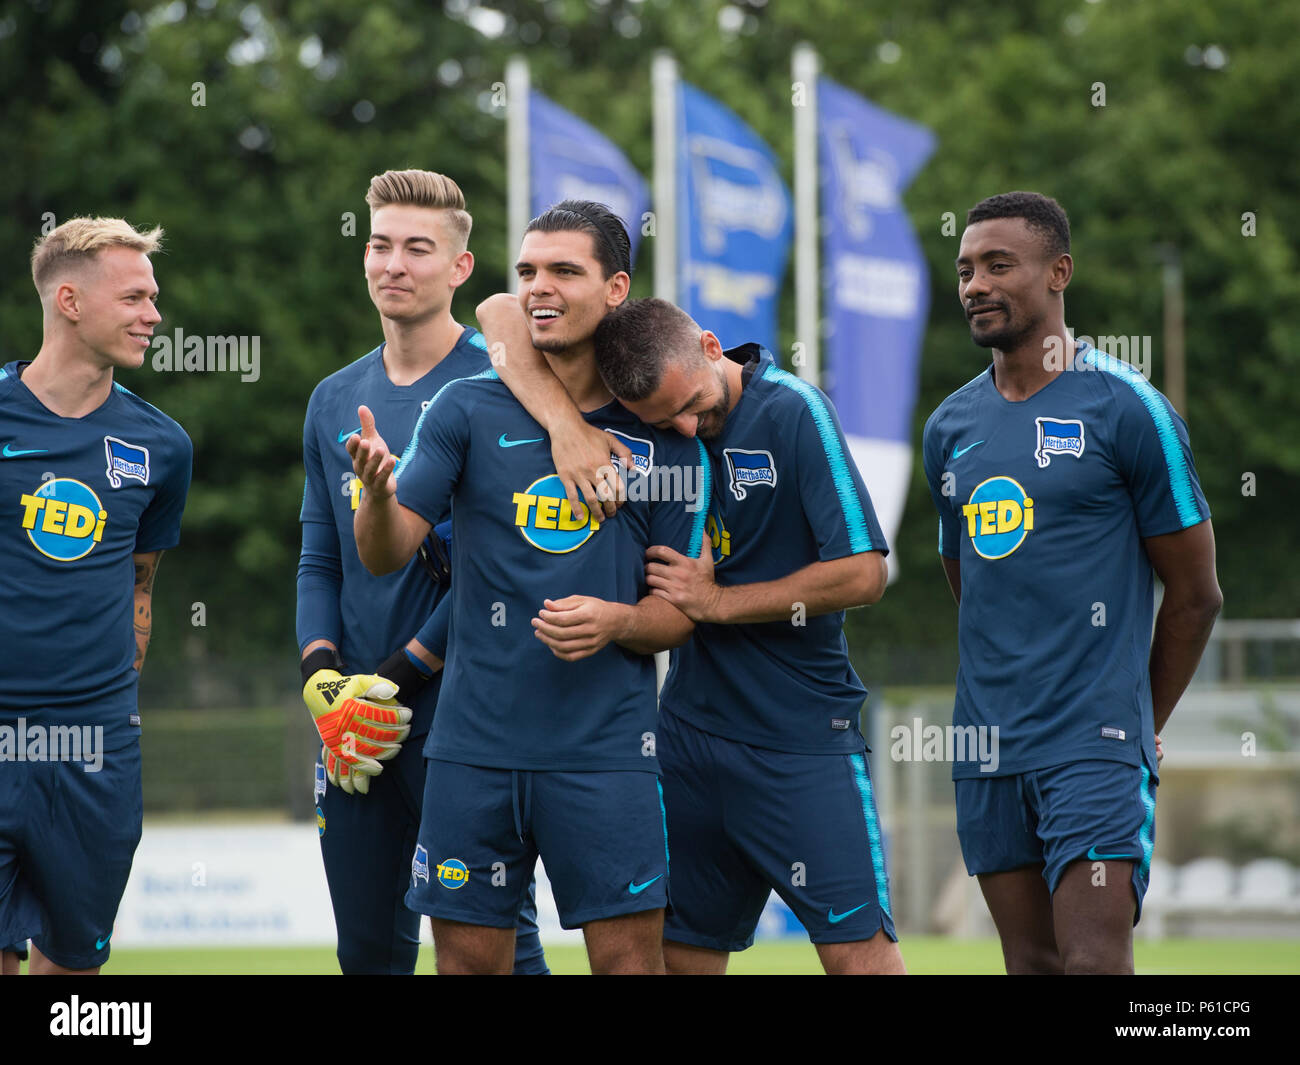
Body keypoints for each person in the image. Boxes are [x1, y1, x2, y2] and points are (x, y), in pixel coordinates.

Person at [349, 201, 708, 975]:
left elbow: (679, 614)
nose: (540, 287)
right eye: (529, 271)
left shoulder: (658, 433)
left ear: (615, 289)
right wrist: (378, 496)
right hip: (473, 750)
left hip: (608, 753)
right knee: (470, 968)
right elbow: (386, 554)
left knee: (630, 969)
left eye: (564, 271)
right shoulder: (466, 408)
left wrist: (616, 621)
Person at [921, 191, 1222, 974]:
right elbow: (972, 583)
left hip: (1093, 742)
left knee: (1093, 962)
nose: (975, 285)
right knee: (1031, 963)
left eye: (997, 265)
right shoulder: (950, 428)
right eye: (964, 270)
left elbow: (1196, 594)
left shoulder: (1128, 408)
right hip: (985, 741)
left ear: (1059, 272)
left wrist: (1135, 715)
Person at [592, 297, 906, 975]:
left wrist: (716, 601)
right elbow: (505, 318)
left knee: (863, 962)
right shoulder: (643, 437)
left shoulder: (794, 410)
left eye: (691, 404)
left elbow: (863, 574)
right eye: (662, 420)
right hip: (687, 740)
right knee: (680, 961)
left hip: (801, 741)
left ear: (711, 346)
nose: (684, 426)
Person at [297, 169, 559, 975]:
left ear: (460, 267)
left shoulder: (509, 385)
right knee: (368, 953)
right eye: (379, 244)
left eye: (418, 248)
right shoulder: (334, 397)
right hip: (355, 722)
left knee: (495, 951)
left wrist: (398, 674)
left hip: (464, 715)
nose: (393, 264)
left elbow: (510, 569)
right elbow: (319, 554)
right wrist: (325, 681)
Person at [0, 217, 192, 974]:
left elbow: (141, 584)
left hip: (94, 746)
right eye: (135, 296)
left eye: (154, 297)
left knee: (76, 966)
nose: (153, 314)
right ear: (70, 301)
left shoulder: (161, 446)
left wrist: (113, 707)